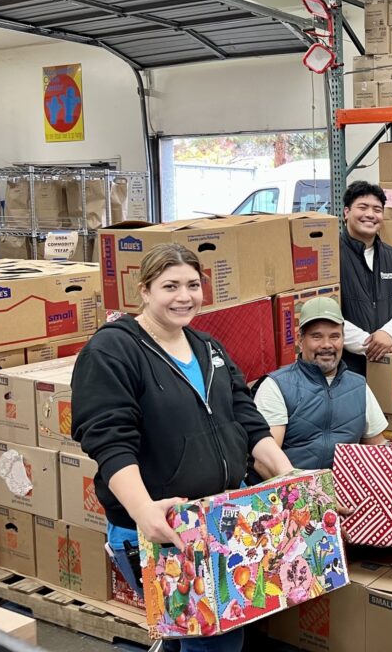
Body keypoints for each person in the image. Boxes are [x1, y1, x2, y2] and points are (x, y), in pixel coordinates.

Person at [71, 244, 294, 652]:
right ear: (144, 290)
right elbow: (108, 439)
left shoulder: (207, 347)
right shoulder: (113, 350)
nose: (184, 296)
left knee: (187, 638)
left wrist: (290, 476)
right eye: (169, 286)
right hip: (163, 527)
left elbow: (246, 418)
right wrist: (143, 512)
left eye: (193, 284)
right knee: (216, 642)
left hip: (220, 522)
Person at [252, 296, 387, 475]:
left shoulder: (359, 386)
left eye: (334, 336)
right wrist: (315, 500)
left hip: (346, 497)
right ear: (300, 340)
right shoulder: (276, 386)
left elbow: (379, 451)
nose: (326, 345)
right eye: (317, 336)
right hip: (292, 497)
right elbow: (264, 464)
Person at [339, 180, 392, 375]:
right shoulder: (330, 255)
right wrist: (368, 344)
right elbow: (326, 312)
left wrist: (388, 333)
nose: (370, 214)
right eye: (363, 207)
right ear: (346, 212)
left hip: (388, 361)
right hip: (344, 365)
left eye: (377, 209)